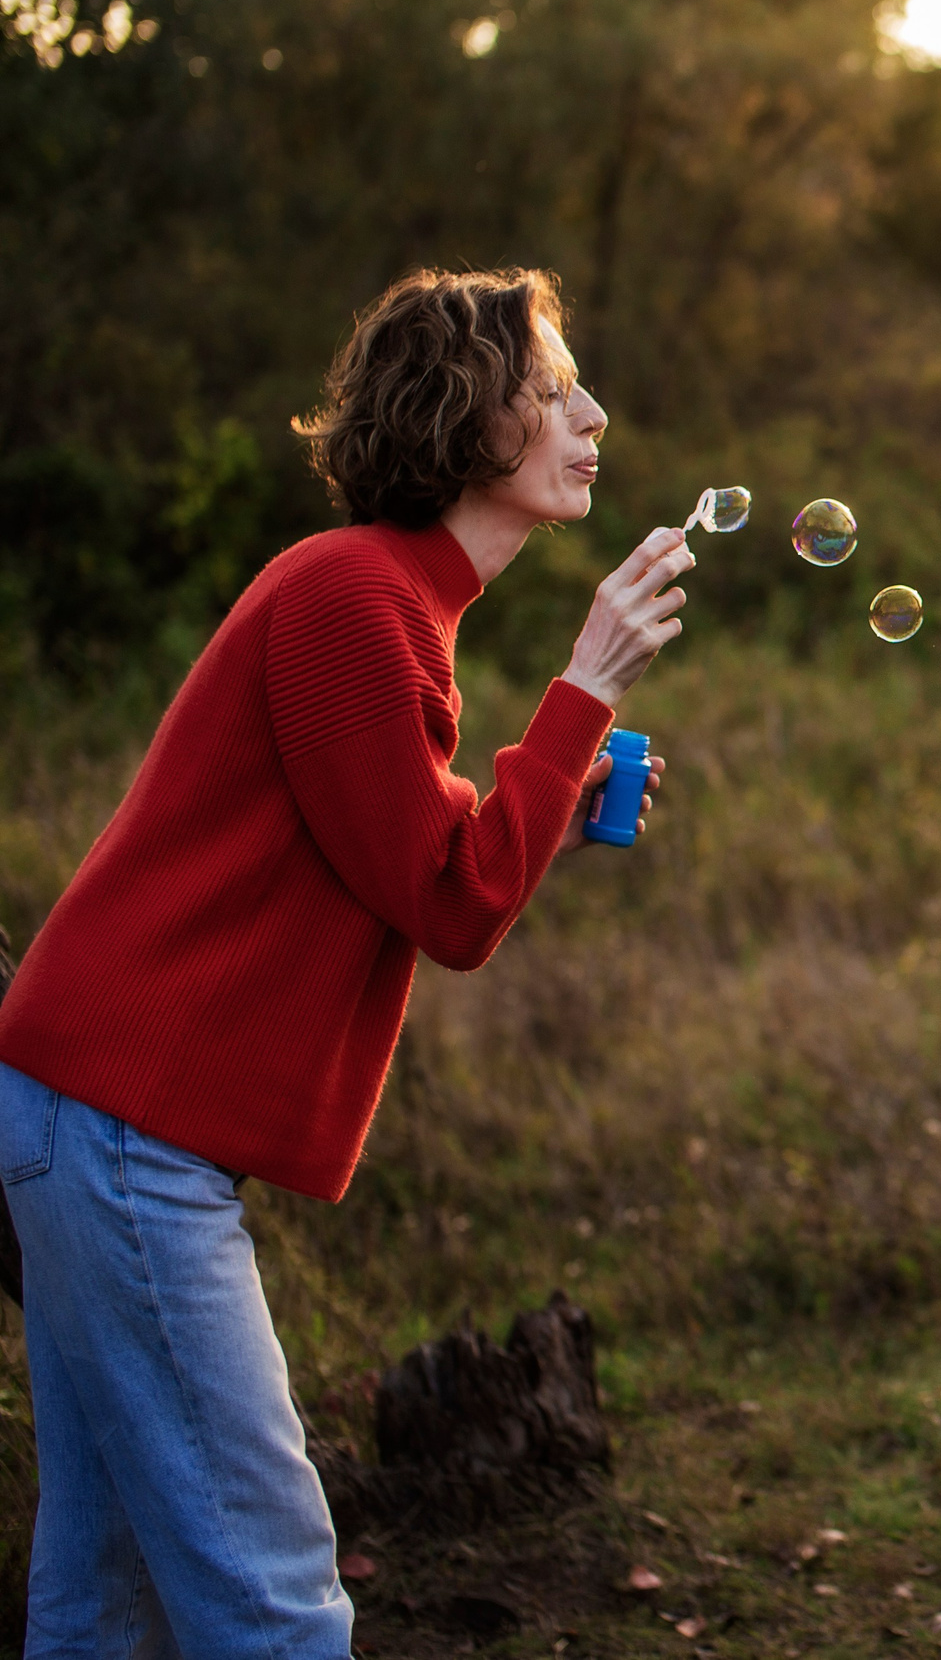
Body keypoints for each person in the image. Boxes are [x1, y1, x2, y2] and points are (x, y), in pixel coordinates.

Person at [0, 267, 691, 1652]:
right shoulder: (354, 599)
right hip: (129, 1129)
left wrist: (551, 799)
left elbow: (410, 845)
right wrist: (587, 683)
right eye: (554, 391)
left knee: (108, 1589)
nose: (590, 413)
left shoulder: (388, 604)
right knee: (274, 1589)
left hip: (98, 1115)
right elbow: (451, 907)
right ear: (464, 416)